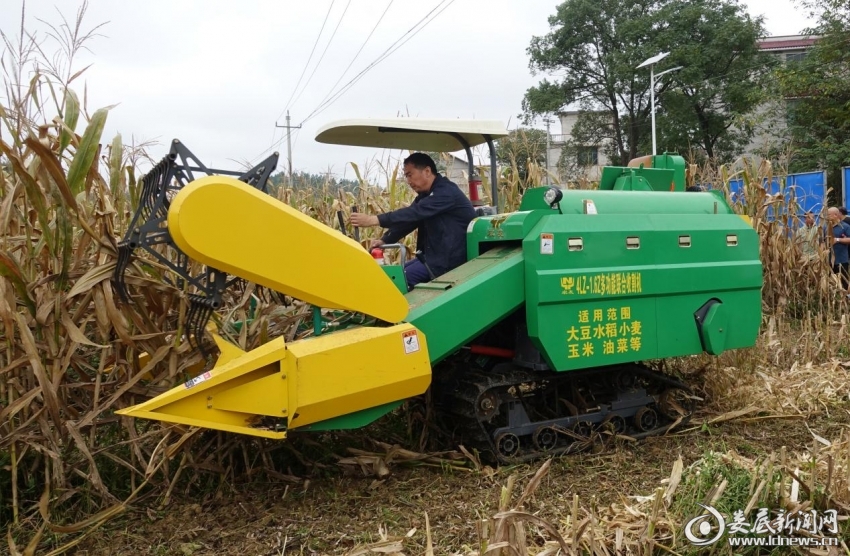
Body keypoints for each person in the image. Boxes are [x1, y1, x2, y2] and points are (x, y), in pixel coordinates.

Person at [350, 152, 476, 290]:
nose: (408, 181)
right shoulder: (426, 196)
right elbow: (411, 220)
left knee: (396, 282)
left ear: (427, 171)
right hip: (433, 257)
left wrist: (373, 219)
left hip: (448, 261)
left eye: (410, 175)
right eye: (406, 177)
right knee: (394, 275)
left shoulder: (445, 192)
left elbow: (414, 213)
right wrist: (385, 240)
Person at [827, 207, 850, 290]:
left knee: (844, 283)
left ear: (836, 215)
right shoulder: (825, 227)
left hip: (841, 261)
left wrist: (837, 239)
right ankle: (832, 301)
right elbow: (821, 241)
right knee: (830, 283)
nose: (827, 216)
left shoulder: (845, 227)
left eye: (829, 214)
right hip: (828, 261)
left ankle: (846, 300)